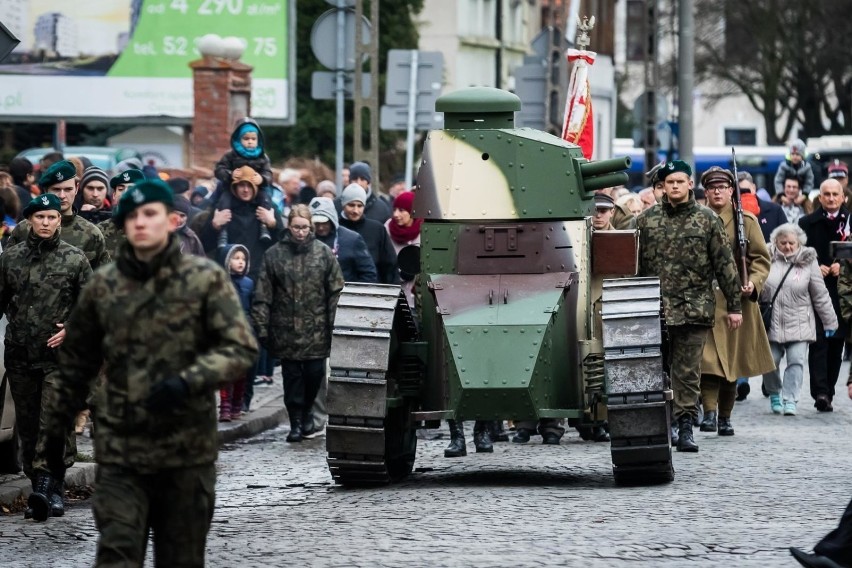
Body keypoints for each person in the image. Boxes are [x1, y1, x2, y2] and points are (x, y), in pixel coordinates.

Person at [39, 178, 258, 562]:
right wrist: (55, 432)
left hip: (185, 454)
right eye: (132, 216)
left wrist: (189, 381)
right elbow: (75, 364)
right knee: (117, 554)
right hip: (123, 452)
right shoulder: (104, 286)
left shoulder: (204, 280)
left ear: (172, 220)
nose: (141, 223)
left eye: (150, 214)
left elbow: (239, 349)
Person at [635, 160, 743, 453]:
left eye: (680, 182)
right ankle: (663, 422)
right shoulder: (645, 222)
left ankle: (685, 426)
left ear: (690, 185)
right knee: (656, 368)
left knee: (688, 371)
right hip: (654, 308)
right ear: (662, 187)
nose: (675, 187)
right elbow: (632, 267)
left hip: (694, 308)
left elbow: (725, 264)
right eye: (670, 182)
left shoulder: (707, 220)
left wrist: (735, 305)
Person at [0, 193, 92, 521]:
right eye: (40, 217)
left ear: (58, 220)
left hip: (59, 357)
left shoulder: (74, 259)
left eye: (52, 217)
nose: (46, 223)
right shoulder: (10, 260)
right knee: (27, 426)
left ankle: (47, 486)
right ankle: (46, 487)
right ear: (29, 220)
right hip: (20, 354)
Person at [252, 204, 344, 443]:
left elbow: (335, 290)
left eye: (304, 227)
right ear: (288, 226)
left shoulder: (323, 253)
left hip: (316, 329)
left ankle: (306, 415)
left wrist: (334, 323)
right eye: (296, 227)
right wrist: (262, 327)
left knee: (314, 375)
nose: (300, 232)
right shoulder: (274, 254)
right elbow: (263, 294)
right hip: (285, 330)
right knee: (292, 379)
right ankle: (295, 422)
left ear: (311, 226)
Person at [697, 166, 773, 437]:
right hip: (704, 298)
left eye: (723, 187)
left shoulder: (747, 221)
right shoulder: (697, 218)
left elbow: (761, 259)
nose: (718, 191)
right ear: (705, 192)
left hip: (736, 300)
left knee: (732, 363)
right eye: (712, 187)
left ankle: (725, 417)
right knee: (708, 362)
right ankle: (709, 412)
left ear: (731, 191)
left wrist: (754, 282)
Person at [762, 223, 837, 416]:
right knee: (770, 361)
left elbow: (820, 294)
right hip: (772, 323)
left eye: (791, 243)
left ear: (799, 243)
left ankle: (790, 399)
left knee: (796, 361)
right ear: (775, 242)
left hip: (800, 322)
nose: (787, 246)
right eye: (783, 242)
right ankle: (774, 393)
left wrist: (830, 322)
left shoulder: (807, 261)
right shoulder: (765, 258)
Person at [798, 178, 850, 412]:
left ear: (843, 197)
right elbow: (796, 253)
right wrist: (814, 265)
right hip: (815, 291)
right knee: (818, 342)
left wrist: (845, 265)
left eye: (834, 194)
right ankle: (819, 392)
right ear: (820, 197)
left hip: (842, 292)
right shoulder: (806, 223)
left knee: (836, 344)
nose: (830, 198)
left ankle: (829, 389)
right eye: (826, 194)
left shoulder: (850, 222)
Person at [7, 160, 111, 271]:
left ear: (76, 188)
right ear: (46, 190)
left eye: (68, 189)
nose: (62, 196)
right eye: (56, 189)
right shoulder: (24, 229)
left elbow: (103, 279)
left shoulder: (91, 234)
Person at [199, 165, 283, 281]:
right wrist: (214, 226)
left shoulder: (267, 209)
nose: (245, 190)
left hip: (259, 275)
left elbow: (281, 244)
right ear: (234, 187)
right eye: (241, 185)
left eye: (249, 185)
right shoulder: (222, 209)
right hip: (228, 277)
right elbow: (205, 245)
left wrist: (273, 224)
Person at [212, 122, 275, 246]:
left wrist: (262, 179)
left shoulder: (262, 157)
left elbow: (269, 173)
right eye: (246, 139)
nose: (250, 142)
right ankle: (223, 231)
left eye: (253, 139)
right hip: (230, 189)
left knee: (266, 200)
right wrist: (230, 175)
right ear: (238, 140)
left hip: (258, 190)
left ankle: (264, 227)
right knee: (224, 202)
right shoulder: (231, 155)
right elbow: (219, 170)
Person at [218, 244, 254, 422]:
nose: (240, 262)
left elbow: (252, 307)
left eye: (243, 259)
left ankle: (236, 405)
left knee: (241, 373)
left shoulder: (249, 283)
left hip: (244, 333)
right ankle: (224, 406)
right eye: (236, 258)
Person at [339, 183, 398, 284]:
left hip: (373, 290)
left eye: (359, 206)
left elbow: (389, 265)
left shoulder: (377, 230)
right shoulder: (336, 229)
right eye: (351, 205)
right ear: (343, 205)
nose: (355, 210)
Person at [309, 196, 377, 282]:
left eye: (324, 223)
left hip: (345, 292)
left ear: (332, 220)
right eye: (316, 224)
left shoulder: (352, 239)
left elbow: (369, 273)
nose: (320, 227)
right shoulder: (304, 240)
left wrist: (354, 293)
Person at [385, 191, 422, 303]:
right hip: (390, 293)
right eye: (395, 209)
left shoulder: (423, 231)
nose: (396, 214)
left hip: (415, 297)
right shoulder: (387, 229)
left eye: (401, 210)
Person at [97, 170, 142, 257]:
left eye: (131, 189)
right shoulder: (99, 231)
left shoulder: (150, 229)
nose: (125, 193)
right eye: (121, 189)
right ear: (114, 195)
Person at [738, 171, 786, 243]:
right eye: (739, 192)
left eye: (746, 190)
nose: (743, 194)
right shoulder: (730, 213)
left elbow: (786, 237)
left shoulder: (775, 210)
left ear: (753, 188)